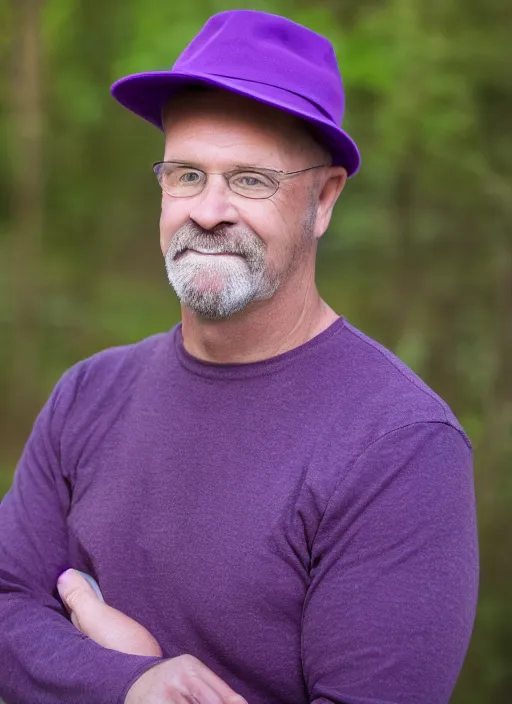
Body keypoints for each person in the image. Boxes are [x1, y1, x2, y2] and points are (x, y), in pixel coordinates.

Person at [0, 9, 478, 704]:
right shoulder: (89, 393)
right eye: (187, 174)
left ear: (324, 198)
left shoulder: (400, 446)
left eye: (251, 180)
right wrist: (125, 685)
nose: (209, 209)